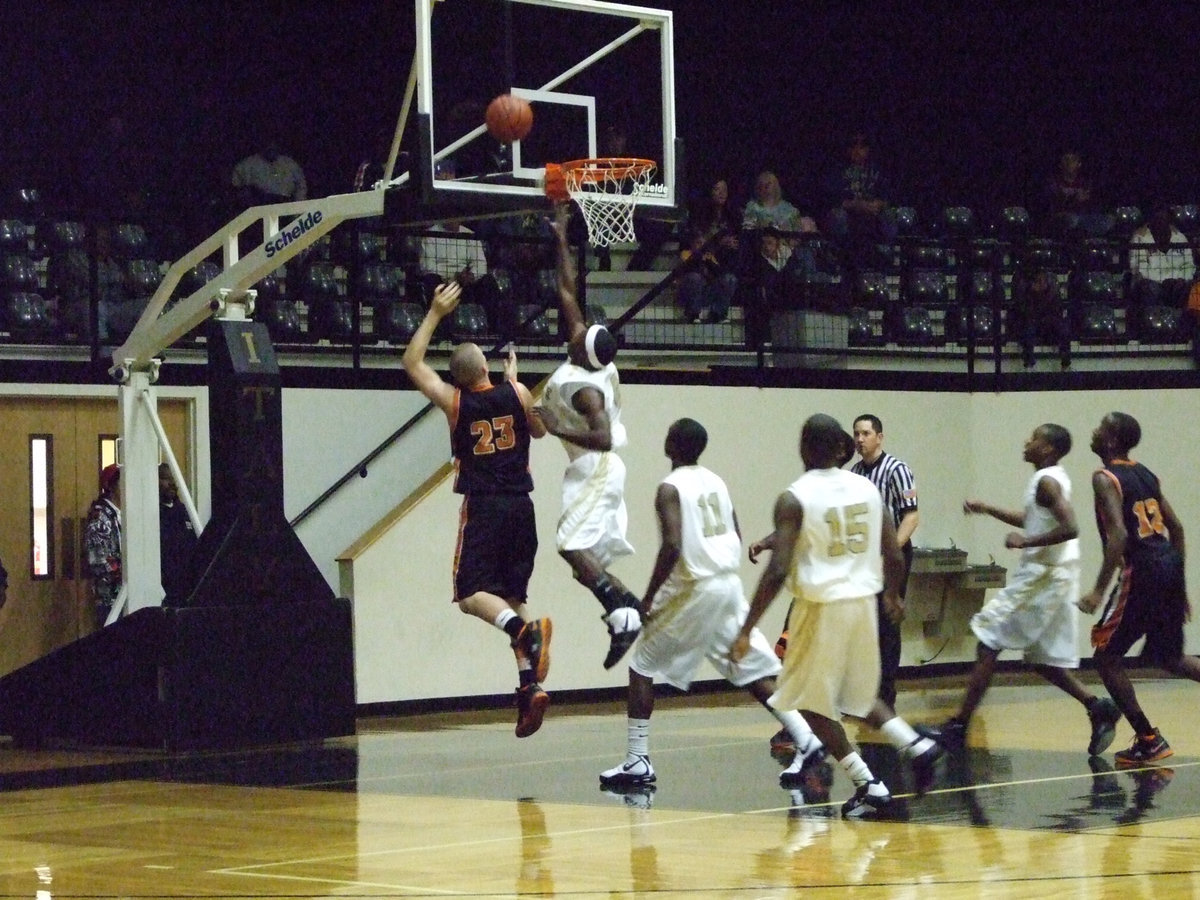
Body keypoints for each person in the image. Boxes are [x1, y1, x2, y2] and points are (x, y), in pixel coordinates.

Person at [732, 414, 942, 819]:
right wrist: (894, 594)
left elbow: (777, 569)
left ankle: (868, 784)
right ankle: (917, 746)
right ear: (842, 447)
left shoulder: (795, 496)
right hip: (863, 603)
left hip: (821, 607)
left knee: (809, 704)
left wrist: (747, 627)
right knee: (860, 695)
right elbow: (894, 553)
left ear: (805, 448)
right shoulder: (865, 487)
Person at [599, 418, 826, 792]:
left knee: (641, 666)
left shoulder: (669, 488)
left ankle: (638, 760)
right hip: (727, 584)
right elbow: (734, 533)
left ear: (671, 446)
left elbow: (672, 545)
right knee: (748, 668)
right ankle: (806, 738)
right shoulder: (716, 480)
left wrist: (650, 596)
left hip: (695, 589)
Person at [402, 279, 553, 738]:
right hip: (522, 509)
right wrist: (516, 382)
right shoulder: (518, 392)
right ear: (487, 366)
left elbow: (412, 363)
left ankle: (526, 634)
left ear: (456, 378)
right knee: (510, 600)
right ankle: (529, 688)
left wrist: (433, 313)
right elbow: (540, 432)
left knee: (471, 597)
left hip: (484, 506)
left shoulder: (456, 402)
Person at [917, 424, 1121, 755]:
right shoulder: (1050, 478)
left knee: (988, 641)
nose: (1027, 442)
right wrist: (987, 508)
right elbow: (1033, 518)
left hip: (1043, 576)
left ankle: (958, 726)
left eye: (1035, 439)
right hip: (1055, 575)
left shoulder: (1048, 482)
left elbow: (1070, 527)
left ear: (1049, 449)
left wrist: (1026, 542)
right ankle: (1098, 707)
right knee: (1041, 659)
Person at [534, 202, 641, 671]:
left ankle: (621, 616)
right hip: (593, 468)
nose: (572, 332)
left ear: (584, 353)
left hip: (597, 465)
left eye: (578, 337)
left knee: (570, 545)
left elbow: (604, 438)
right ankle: (630, 606)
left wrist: (552, 425)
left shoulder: (586, 394)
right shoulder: (589, 352)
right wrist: (561, 236)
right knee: (585, 565)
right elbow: (566, 290)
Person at [1078, 412, 1200, 765]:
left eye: (1100, 427)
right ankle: (1148, 739)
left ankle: (1149, 739)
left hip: (1142, 570)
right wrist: (1181, 587)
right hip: (1168, 566)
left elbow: (1118, 534)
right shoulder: (1146, 473)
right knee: (1170, 657)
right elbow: (1176, 529)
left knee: (1107, 657)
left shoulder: (1104, 477)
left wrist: (1099, 589)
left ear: (1112, 440)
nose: (1094, 430)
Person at [849, 414, 919, 709]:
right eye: (857, 434)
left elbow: (912, 516)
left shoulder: (896, 470)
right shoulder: (854, 472)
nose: (860, 439)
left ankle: (886, 695)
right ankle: (866, 688)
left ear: (880, 436)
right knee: (866, 622)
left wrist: (890, 552)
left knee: (888, 622)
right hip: (865, 555)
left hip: (892, 554)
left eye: (866, 433)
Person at [822, 131, 898, 263]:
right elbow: (831, 199)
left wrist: (876, 205)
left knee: (890, 214)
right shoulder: (837, 170)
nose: (857, 150)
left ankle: (887, 254)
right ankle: (838, 253)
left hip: (873, 211)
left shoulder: (877, 170)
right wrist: (855, 205)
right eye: (853, 145)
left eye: (862, 145)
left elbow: (888, 196)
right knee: (837, 215)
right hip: (848, 212)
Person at [678, 178, 741, 324]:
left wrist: (716, 248)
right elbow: (689, 250)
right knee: (695, 278)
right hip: (694, 281)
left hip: (715, 278)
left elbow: (730, 256)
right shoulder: (698, 217)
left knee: (730, 279)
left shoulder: (733, 216)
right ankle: (692, 313)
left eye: (724, 189)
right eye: (717, 189)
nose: (722, 193)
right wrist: (718, 242)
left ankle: (718, 313)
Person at [1128, 201, 1198, 312]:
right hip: (1152, 283)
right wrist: (1165, 282)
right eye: (1157, 218)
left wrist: (1180, 279)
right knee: (1148, 288)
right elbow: (1139, 269)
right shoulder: (1139, 238)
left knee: (1191, 288)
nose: (1160, 221)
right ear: (1151, 220)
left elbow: (1188, 265)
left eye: (1163, 218)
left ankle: (1184, 323)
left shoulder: (1180, 237)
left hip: (1177, 285)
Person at [1042, 150, 1113, 239]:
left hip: (1084, 217)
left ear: (1079, 164)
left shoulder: (1086, 183)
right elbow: (1052, 204)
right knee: (1072, 220)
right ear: (1060, 164)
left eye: (1073, 160)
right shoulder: (1054, 182)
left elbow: (1094, 203)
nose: (1069, 163)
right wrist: (1074, 199)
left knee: (1108, 220)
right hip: (1062, 217)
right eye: (1066, 159)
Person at [84, 463, 122, 628]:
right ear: (111, 487)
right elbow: (99, 562)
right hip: (110, 598)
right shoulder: (100, 518)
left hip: (126, 595)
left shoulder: (120, 515)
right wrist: (127, 573)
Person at [158, 463, 199, 603]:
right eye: (166, 479)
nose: (172, 483)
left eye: (174, 478)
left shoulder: (183, 510)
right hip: (164, 587)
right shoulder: (153, 514)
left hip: (187, 585)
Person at [231, 140, 308, 208]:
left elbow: (301, 188)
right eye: (268, 144)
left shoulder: (290, 164)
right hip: (259, 208)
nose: (271, 146)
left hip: (285, 206)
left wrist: (298, 209)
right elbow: (236, 188)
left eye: (273, 144)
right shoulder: (247, 165)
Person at [742, 171, 817, 234]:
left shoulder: (788, 208)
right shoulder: (753, 206)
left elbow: (796, 230)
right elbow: (748, 230)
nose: (764, 188)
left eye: (768, 184)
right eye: (761, 185)